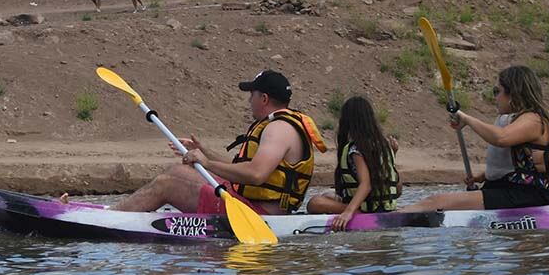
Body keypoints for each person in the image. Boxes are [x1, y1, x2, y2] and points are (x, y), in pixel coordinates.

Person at [112, 70, 326, 215]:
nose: (248, 100)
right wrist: (203, 152)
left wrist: (207, 163)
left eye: (251, 94)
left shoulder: (278, 129)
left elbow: (256, 175)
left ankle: (112, 218)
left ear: (264, 99)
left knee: (166, 184)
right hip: (249, 202)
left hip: (256, 213)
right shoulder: (278, 124)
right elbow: (241, 168)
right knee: (177, 171)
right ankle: (119, 211)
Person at [399, 65, 549, 213]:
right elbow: (520, 164)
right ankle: (397, 214)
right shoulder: (521, 119)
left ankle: (388, 219)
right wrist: (484, 176)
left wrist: (467, 119)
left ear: (513, 93)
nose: (495, 98)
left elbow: (501, 138)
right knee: (436, 202)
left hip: (526, 196)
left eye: (497, 92)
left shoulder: (534, 120)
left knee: (435, 202)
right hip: (509, 190)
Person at [306, 96, 401, 230]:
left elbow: (366, 185)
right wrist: (393, 157)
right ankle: (356, 209)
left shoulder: (356, 149)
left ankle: (358, 213)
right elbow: (397, 190)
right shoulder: (385, 147)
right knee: (327, 195)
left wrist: (348, 213)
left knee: (314, 203)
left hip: (367, 211)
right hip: (382, 207)